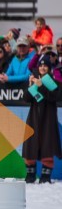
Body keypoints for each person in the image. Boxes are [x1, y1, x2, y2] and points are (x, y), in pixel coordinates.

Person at [23, 55, 61, 183]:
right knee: (30, 145)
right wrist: (31, 85)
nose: (43, 68)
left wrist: (42, 86)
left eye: (45, 66)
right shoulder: (34, 79)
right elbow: (26, 98)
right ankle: (30, 175)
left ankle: (45, 177)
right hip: (34, 118)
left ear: (49, 69)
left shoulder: (54, 82)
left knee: (47, 145)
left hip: (48, 119)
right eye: (41, 65)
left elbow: (55, 97)